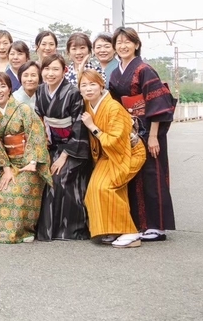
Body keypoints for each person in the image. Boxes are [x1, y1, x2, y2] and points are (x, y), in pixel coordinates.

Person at [108, 27, 176, 242]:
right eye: (119, 42)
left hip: (149, 127)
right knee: (134, 175)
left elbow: (157, 103)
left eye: (127, 42)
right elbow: (115, 103)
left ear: (136, 45)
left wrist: (154, 136)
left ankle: (157, 226)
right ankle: (139, 223)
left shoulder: (145, 69)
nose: (123, 46)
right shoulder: (116, 73)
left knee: (152, 174)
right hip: (129, 129)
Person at [79, 69, 146, 248]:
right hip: (108, 155)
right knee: (93, 190)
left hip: (128, 153)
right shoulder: (87, 104)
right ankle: (113, 229)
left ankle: (131, 233)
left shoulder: (113, 107)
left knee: (106, 187)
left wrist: (92, 127)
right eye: (83, 85)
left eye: (92, 84)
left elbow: (116, 140)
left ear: (101, 86)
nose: (88, 89)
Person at [0, 72, 51, 244]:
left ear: (9, 89)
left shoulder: (23, 109)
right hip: (10, 163)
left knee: (17, 191)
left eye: (3, 86)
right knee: (5, 192)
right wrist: (6, 169)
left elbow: (36, 134)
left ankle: (25, 231)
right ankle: (10, 234)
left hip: (30, 162)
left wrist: (32, 162)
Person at [35, 53, 92, 241]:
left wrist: (64, 155)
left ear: (64, 71)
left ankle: (71, 229)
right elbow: (39, 119)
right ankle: (48, 229)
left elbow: (78, 125)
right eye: (47, 69)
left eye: (55, 69)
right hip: (52, 144)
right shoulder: (40, 90)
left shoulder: (73, 92)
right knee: (44, 175)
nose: (50, 73)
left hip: (72, 147)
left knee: (60, 176)